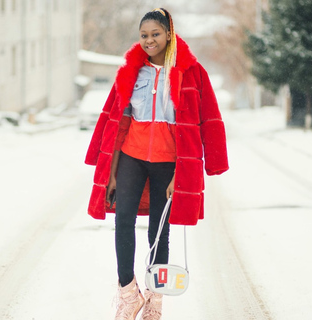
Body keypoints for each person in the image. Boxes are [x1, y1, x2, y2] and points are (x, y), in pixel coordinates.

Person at [85, 8, 229, 320]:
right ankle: (128, 294)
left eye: (156, 34)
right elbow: (113, 118)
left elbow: (209, 119)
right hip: (132, 157)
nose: (150, 40)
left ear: (169, 34)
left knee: (158, 231)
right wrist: (109, 172)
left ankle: (154, 300)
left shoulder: (190, 72)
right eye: (144, 35)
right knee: (122, 220)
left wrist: (187, 172)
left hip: (167, 162)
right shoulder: (131, 71)